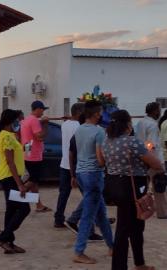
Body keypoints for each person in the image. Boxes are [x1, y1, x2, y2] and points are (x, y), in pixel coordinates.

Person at [103, 110, 161, 270]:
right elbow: (157, 164)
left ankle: (139, 263)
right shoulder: (132, 142)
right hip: (132, 187)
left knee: (136, 225)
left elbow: (103, 162)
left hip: (114, 186)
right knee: (124, 229)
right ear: (127, 124)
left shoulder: (107, 142)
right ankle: (119, 266)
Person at [71, 100, 114, 264]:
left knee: (100, 214)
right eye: (101, 112)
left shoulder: (79, 129)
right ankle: (79, 251)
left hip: (82, 173)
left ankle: (112, 245)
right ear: (97, 114)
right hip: (93, 174)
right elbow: (100, 158)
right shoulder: (99, 132)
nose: (102, 115)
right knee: (88, 215)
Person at [0, 109, 30, 254]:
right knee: (24, 209)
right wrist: (20, 184)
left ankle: (9, 242)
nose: (19, 122)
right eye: (17, 120)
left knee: (11, 210)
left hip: (9, 176)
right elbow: (10, 162)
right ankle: (3, 238)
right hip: (9, 177)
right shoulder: (7, 137)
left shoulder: (9, 135)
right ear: (11, 121)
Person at [135, 102, 167, 219]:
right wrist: (151, 159)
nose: (160, 113)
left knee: (141, 187)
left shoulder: (140, 122)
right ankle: (162, 213)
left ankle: (139, 209)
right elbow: (150, 144)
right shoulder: (152, 125)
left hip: (141, 157)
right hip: (153, 159)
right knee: (159, 186)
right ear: (155, 111)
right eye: (159, 110)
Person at [54, 103, 84, 228]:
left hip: (65, 163)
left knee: (64, 193)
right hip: (77, 164)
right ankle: (98, 218)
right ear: (78, 113)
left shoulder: (65, 125)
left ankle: (58, 218)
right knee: (90, 194)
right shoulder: (80, 126)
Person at [20, 101, 51, 212]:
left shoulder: (26, 120)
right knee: (34, 179)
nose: (43, 112)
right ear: (37, 109)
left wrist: (42, 123)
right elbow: (40, 137)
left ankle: (38, 204)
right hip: (34, 154)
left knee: (34, 181)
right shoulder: (34, 120)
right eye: (42, 109)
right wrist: (46, 125)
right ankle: (18, 195)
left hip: (28, 152)